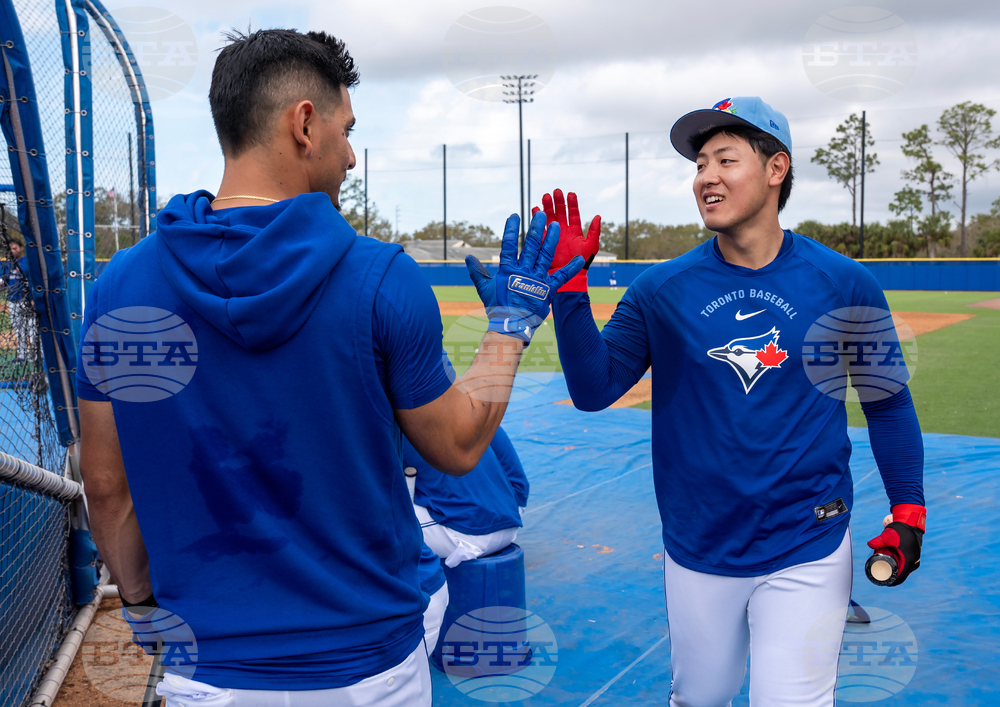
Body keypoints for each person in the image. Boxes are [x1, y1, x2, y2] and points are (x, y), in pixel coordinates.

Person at [75, 28, 581, 707]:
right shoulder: (382, 277)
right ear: (304, 123)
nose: (349, 156)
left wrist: (141, 606)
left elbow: (107, 487)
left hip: (209, 671)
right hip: (369, 670)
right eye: (346, 131)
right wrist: (509, 326)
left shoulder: (120, 285)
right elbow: (458, 444)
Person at [543, 97, 926, 706]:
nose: (706, 177)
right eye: (700, 164)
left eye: (725, 159)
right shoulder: (661, 289)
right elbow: (593, 390)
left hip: (808, 540)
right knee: (701, 697)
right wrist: (568, 292)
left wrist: (908, 509)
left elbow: (886, 403)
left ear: (776, 169)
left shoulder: (844, 283)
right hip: (699, 545)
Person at [409, 419, 528, 568]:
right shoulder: (466, 407)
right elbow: (518, 480)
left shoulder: (392, 418)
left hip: (467, 533)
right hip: (512, 515)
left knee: (385, 518)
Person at [1, 234, 31, 361]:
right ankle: (22, 355)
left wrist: (32, 299)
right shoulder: (7, 264)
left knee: (31, 329)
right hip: (12, 300)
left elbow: (33, 282)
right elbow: (3, 282)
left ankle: (38, 356)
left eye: (14, 248)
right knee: (18, 329)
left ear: (21, 248)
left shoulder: (27, 263)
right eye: (10, 249)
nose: (12, 251)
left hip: (27, 300)